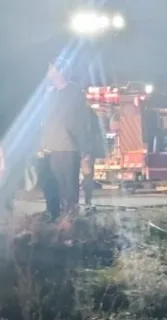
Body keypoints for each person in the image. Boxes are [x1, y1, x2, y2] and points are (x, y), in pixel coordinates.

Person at [38, 58, 101, 219]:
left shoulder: (74, 92)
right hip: (52, 148)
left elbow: (81, 122)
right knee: (55, 187)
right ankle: (58, 218)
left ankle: (71, 220)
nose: (48, 72)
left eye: (51, 68)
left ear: (60, 71)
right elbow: (45, 120)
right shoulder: (51, 93)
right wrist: (43, 144)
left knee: (69, 188)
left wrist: (84, 150)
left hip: (68, 147)